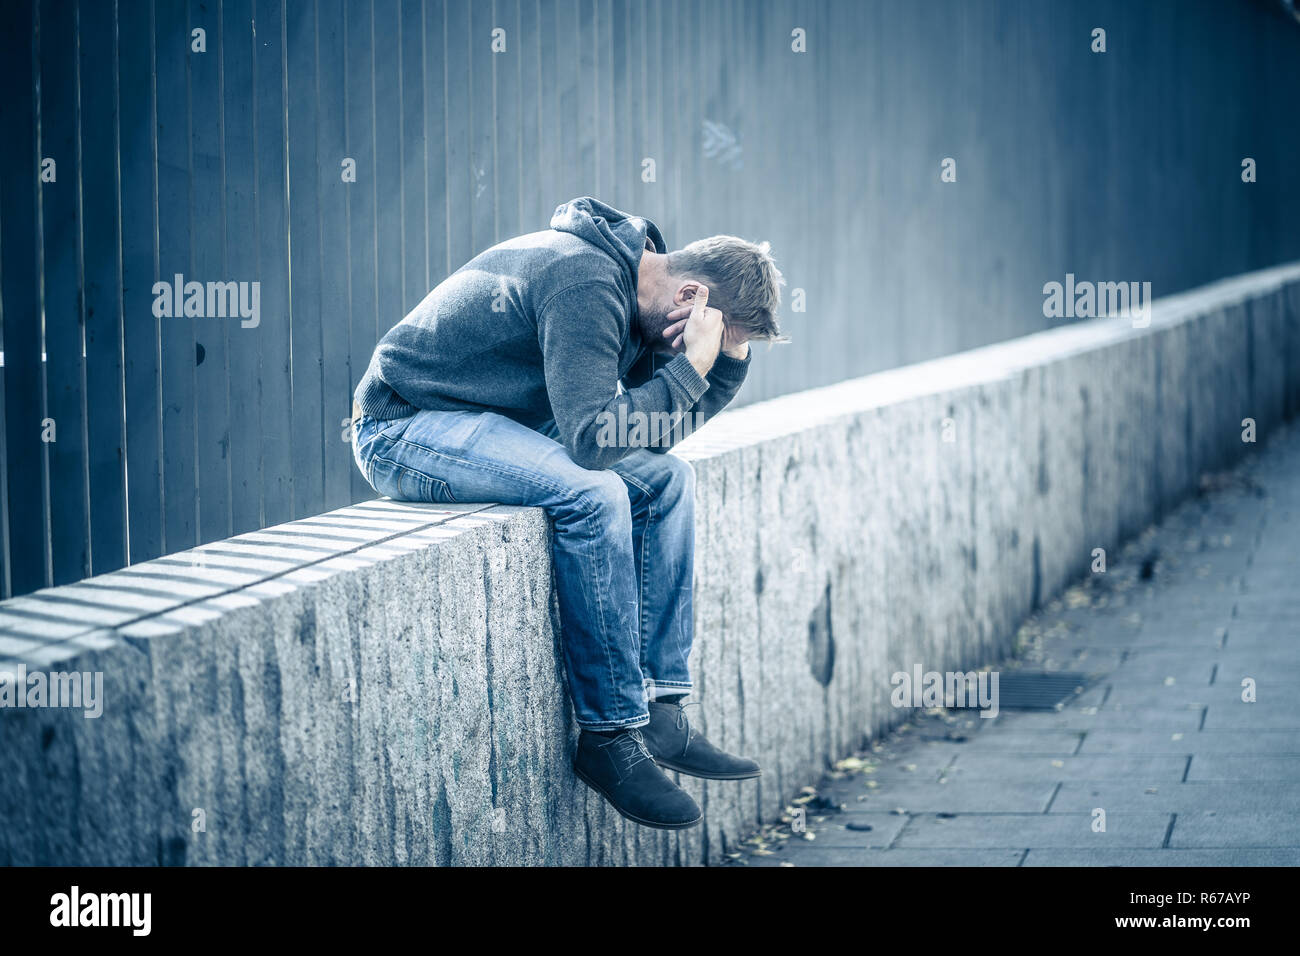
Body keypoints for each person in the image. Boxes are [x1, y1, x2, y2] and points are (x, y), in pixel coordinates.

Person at [350, 197, 785, 829]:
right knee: (597, 493)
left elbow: (651, 438)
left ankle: (661, 710)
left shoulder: (637, 294)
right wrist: (691, 365)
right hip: (405, 426)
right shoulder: (583, 280)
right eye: (719, 338)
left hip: (494, 423)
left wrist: (724, 368)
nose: (706, 350)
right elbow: (591, 442)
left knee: (665, 482)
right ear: (690, 296)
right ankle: (609, 737)